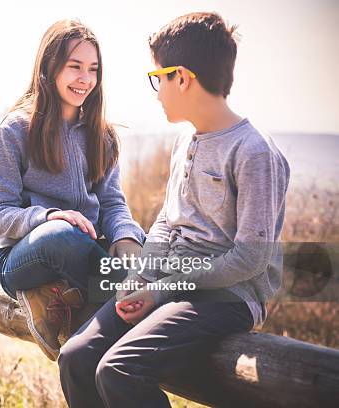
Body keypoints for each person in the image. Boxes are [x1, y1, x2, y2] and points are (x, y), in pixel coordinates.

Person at [59, 12, 290, 407]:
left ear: (181, 77)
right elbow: (168, 222)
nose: (157, 90)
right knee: (76, 357)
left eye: (158, 79)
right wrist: (140, 277)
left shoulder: (254, 153)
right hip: (169, 283)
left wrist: (165, 288)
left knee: (119, 371)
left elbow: (251, 258)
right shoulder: (185, 141)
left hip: (228, 297)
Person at [0, 19, 146, 361]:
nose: (85, 79)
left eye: (93, 69)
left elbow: (113, 204)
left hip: (86, 253)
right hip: (24, 258)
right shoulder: (13, 130)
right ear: (49, 67)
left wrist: (126, 238)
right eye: (74, 67)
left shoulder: (101, 136)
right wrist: (49, 217)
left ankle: (96, 310)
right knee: (61, 234)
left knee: (142, 242)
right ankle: (139, 304)